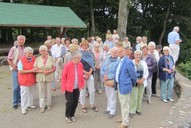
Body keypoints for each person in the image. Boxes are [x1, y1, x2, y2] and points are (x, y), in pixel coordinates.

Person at [115, 47, 137, 128]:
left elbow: (134, 75)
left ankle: (125, 123)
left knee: (125, 105)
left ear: (125, 52)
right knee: (122, 103)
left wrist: (131, 83)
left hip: (125, 86)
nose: (119, 52)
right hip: (120, 85)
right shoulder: (120, 60)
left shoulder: (128, 61)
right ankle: (123, 118)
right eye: (118, 51)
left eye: (121, 51)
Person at [61, 51, 84, 123]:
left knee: (75, 102)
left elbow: (81, 76)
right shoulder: (68, 65)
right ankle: (67, 115)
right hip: (69, 87)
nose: (80, 59)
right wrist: (63, 87)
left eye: (80, 58)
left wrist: (82, 84)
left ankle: (72, 115)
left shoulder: (80, 64)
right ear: (74, 58)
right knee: (70, 102)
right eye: (78, 58)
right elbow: (64, 77)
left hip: (77, 86)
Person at [34, 45, 56, 113]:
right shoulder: (37, 59)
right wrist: (42, 71)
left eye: (44, 50)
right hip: (40, 77)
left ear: (46, 51)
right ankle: (42, 106)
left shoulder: (50, 58)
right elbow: (35, 69)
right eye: (41, 51)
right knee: (41, 92)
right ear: (39, 52)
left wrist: (49, 71)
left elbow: (54, 67)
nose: (43, 52)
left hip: (49, 77)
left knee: (48, 92)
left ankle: (49, 104)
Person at [7, 35, 26, 109]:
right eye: (20, 39)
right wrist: (13, 66)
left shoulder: (25, 49)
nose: (21, 41)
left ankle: (21, 100)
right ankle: (15, 102)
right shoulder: (13, 49)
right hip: (16, 69)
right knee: (16, 86)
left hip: (23, 69)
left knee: (22, 85)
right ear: (17, 40)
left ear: (24, 41)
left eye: (22, 40)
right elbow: (9, 59)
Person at [79, 40, 98, 113]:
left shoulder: (90, 54)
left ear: (88, 46)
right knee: (82, 91)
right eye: (83, 45)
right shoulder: (79, 54)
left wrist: (89, 73)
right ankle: (83, 105)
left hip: (90, 74)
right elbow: (78, 66)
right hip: (82, 74)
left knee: (92, 91)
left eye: (86, 46)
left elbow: (92, 64)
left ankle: (92, 105)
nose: (85, 47)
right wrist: (85, 73)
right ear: (81, 46)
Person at [100, 47, 119, 118]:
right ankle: (108, 108)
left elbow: (117, 72)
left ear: (117, 53)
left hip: (112, 81)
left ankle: (112, 111)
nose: (113, 53)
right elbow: (102, 68)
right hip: (106, 80)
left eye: (115, 52)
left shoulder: (118, 61)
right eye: (112, 52)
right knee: (108, 95)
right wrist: (103, 75)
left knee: (112, 96)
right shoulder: (107, 59)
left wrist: (108, 76)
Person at [129, 50, 148, 118]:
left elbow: (146, 73)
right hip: (134, 82)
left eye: (139, 55)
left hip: (142, 82)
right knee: (134, 97)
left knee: (140, 96)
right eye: (137, 54)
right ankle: (132, 111)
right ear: (134, 55)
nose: (138, 56)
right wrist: (137, 81)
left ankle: (138, 109)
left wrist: (142, 80)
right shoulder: (131, 62)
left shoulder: (144, 63)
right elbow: (130, 73)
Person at [17, 47, 36, 114]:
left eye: (31, 53)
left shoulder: (34, 59)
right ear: (25, 53)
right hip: (24, 80)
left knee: (31, 92)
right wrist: (31, 70)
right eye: (28, 53)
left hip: (32, 79)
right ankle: (23, 107)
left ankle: (30, 104)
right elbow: (20, 71)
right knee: (24, 94)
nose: (30, 54)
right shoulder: (21, 60)